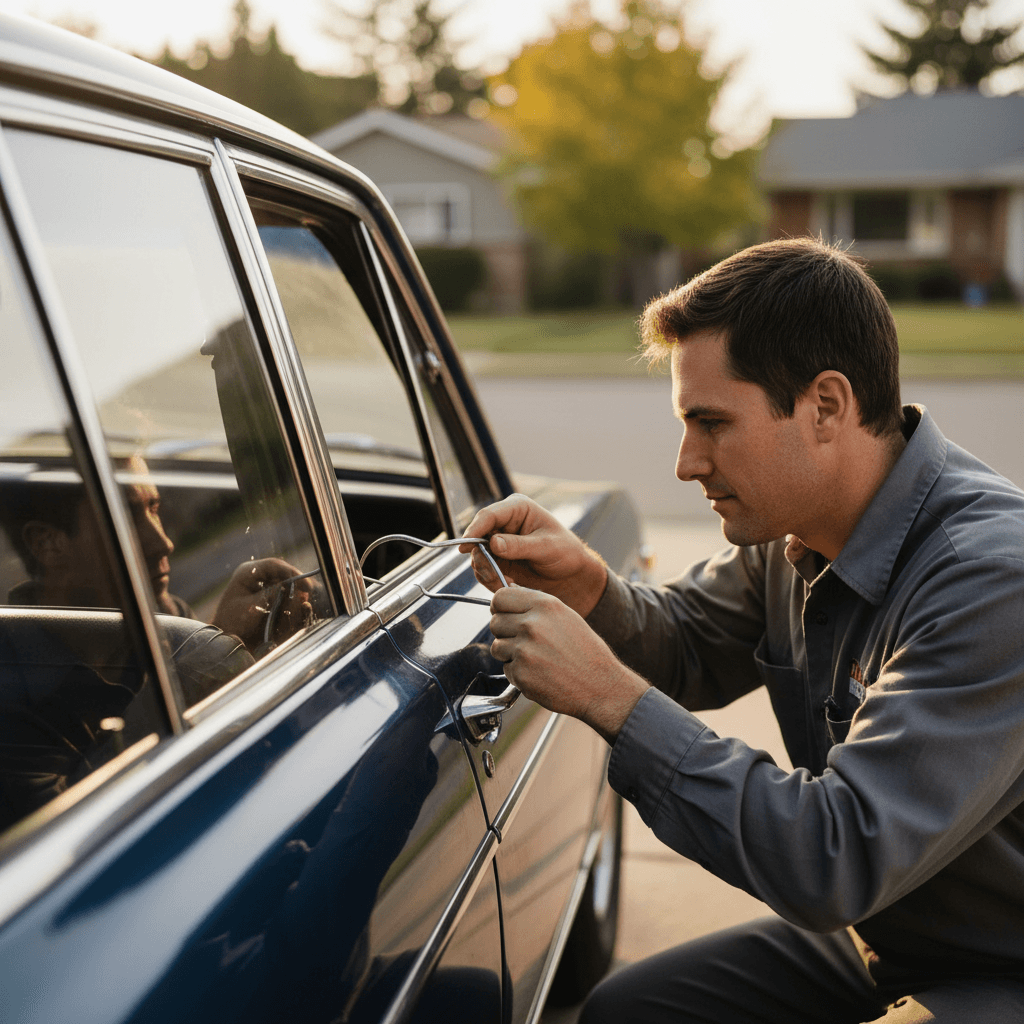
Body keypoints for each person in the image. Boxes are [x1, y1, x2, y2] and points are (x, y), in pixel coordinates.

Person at [460, 238, 1024, 1023]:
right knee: (628, 1013)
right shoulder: (793, 530)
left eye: (711, 422)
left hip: (1001, 960)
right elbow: (691, 644)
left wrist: (608, 696)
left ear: (826, 405)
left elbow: (835, 856)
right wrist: (590, 590)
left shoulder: (992, 580)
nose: (688, 463)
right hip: (891, 931)